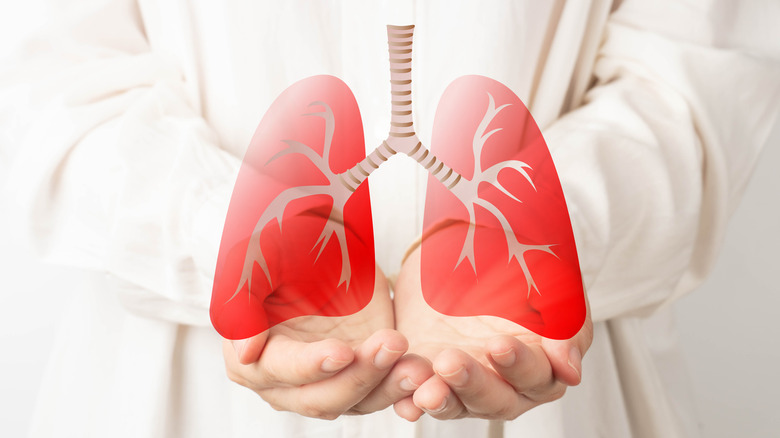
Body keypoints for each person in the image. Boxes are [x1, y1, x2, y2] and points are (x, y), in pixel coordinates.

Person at [1, 1, 778, 437]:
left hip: (550, 378)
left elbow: (697, 85)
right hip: (178, 399)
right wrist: (248, 251)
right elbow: (59, 89)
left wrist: (524, 249)